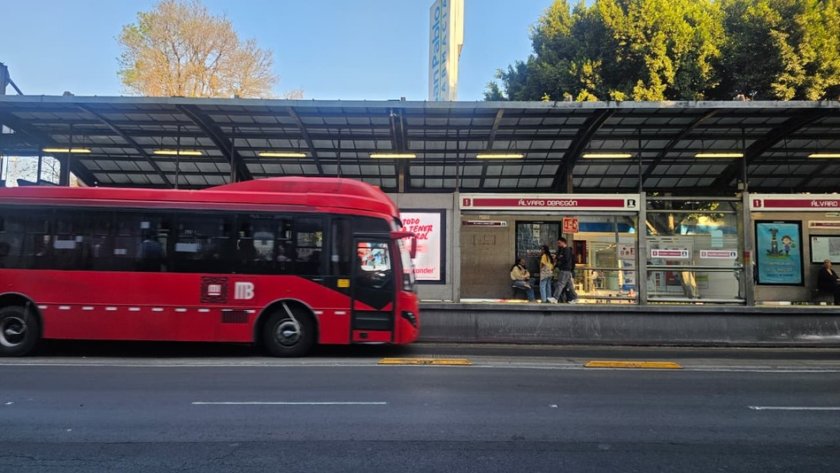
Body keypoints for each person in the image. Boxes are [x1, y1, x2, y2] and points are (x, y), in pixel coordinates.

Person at [553, 237, 578, 303]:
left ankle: (555, 298)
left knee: (560, 284)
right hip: (567, 270)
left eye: (559, 243)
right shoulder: (564, 250)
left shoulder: (566, 250)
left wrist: (559, 258)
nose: (558, 244)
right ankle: (575, 298)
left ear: (563, 242)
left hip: (565, 269)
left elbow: (565, 259)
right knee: (569, 285)